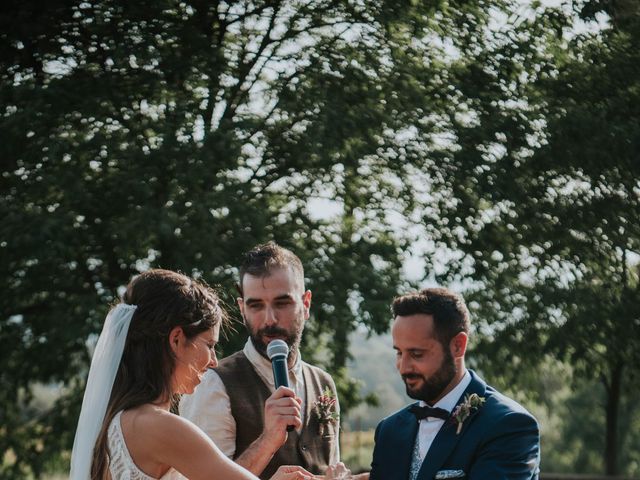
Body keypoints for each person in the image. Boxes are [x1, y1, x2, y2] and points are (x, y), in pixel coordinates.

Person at [70, 268, 313, 480]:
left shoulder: (117, 422)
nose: (214, 361)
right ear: (176, 339)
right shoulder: (160, 427)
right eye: (209, 345)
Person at [180, 243, 340, 480]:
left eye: (282, 303)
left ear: (305, 304)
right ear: (242, 308)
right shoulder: (213, 384)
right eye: (256, 306)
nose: (269, 320)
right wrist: (267, 441)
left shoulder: (323, 382)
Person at [369, 287, 540, 480]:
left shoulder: (508, 426)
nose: (403, 367)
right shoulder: (389, 430)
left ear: (458, 346)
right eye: (399, 353)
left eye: (417, 354)